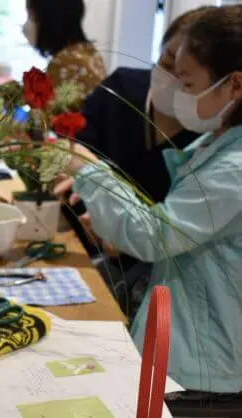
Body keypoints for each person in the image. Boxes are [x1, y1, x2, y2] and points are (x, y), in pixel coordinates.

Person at [57, 5, 242, 395]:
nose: (180, 93)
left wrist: (87, 170)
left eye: (189, 85)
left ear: (234, 85)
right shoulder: (220, 142)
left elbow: (157, 234)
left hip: (204, 360)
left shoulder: (234, 168)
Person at [65, 6, 214, 316]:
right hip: (86, 250)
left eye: (188, 79)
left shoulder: (208, 144)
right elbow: (74, 155)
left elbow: (165, 233)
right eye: (167, 63)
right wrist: (90, 210)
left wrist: (121, 233)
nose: (173, 80)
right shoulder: (120, 91)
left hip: (149, 278)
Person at [24, 0, 106, 105]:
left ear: (49, 19)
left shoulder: (65, 63)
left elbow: (48, 117)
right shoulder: (89, 53)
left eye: (32, 17)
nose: (27, 24)